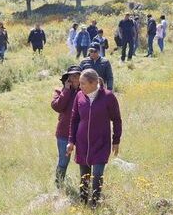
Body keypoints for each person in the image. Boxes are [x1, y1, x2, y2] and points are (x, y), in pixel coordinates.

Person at [66, 69, 122, 207]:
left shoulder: (108, 97)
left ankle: (95, 204)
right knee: (84, 176)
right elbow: (74, 119)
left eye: (83, 83)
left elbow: (117, 120)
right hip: (82, 143)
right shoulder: (79, 96)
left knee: (97, 175)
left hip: (101, 142)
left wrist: (116, 140)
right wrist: (71, 141)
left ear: (93, 83)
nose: (80, 86)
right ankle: (84, 202)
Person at [51, 66, 82, 189]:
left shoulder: (85, 91)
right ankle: (59, 185)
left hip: (82, 132)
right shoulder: (60, 91)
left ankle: (84, 186)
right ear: (67, 78)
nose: (75, 78)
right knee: (63, 161)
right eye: (72, 76)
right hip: (64, 132)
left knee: (85, 161)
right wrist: (67, 90)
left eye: (77, 75)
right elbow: (57, 107)